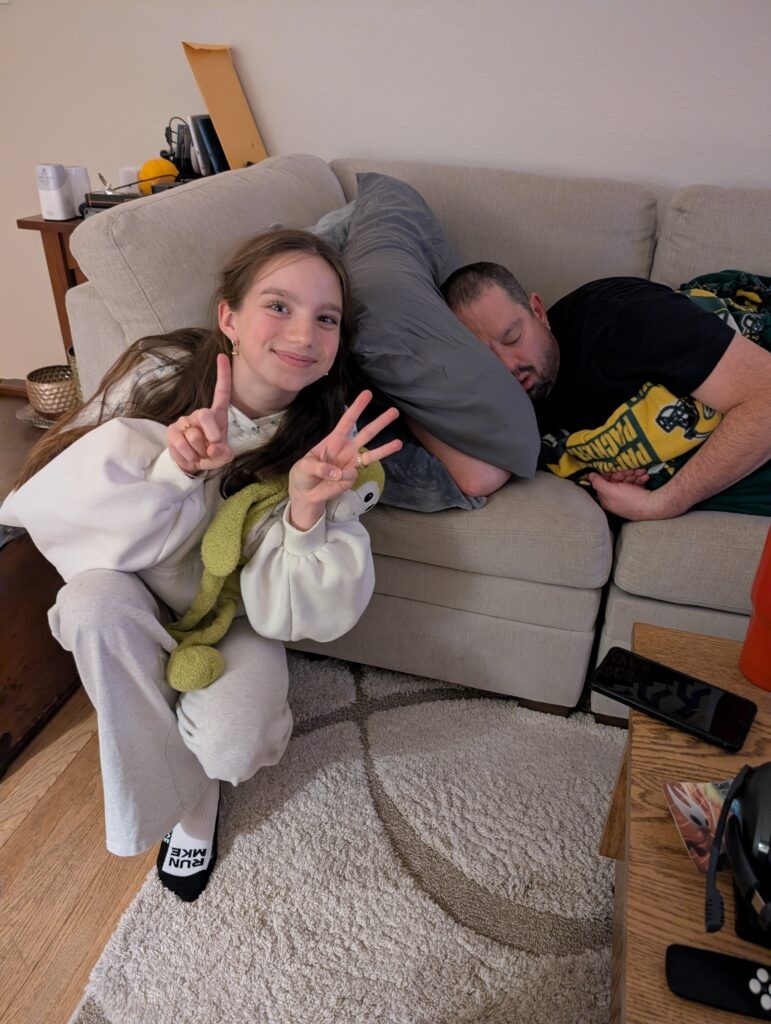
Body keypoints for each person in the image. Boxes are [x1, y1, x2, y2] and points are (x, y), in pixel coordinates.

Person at [0, 228, 402, 902]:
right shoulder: (160, 373)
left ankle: (196, 761)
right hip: (132, 592)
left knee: (236, 743)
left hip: (230, 619)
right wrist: (173, 468)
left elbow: (289, 614)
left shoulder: (330, 442)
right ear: (229, 319)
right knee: (93, 607)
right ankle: (191, 808)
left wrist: (305, 515)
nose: (303, 333)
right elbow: (58, 498)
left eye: (326, 318)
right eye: (278, 306)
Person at [420, 264, 771, 520]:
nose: (509, 366)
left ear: (538, 312)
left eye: (513, 338)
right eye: (487, 359)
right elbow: (478, 476)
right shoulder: (498, 397)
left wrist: (662, 503)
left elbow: (765, 396)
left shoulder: (625, 319)